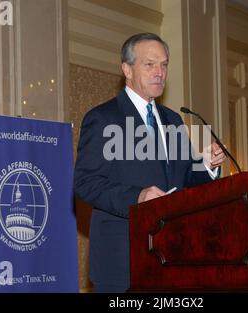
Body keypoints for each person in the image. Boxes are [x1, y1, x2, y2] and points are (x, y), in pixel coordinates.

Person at [73, 33, 226, 293]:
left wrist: (207, 165)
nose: (159, 72)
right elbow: (85, 182)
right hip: (123, 260)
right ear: (127, 69)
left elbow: (184, 176)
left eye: (164, 65)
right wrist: (138, 196)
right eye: (150, 64)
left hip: (172, 255)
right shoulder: (103, 118)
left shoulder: (173, 120)